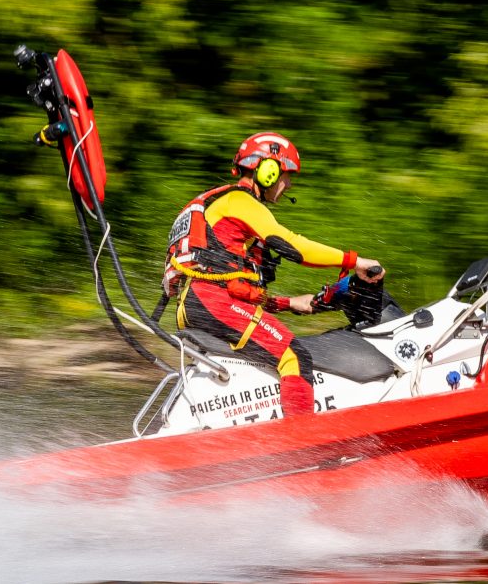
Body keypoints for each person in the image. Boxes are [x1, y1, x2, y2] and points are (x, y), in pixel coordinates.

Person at [163, 132, 384, 416]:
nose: (288, 184)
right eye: (286, 175)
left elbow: (230, 282)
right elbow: (292, 246)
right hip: (211, 301)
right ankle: (299, 443)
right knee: (294, 355)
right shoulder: (239, 201)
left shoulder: (215, 204)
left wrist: (288, 303)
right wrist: (354, 260)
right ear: (268, 170)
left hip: (199, 301)